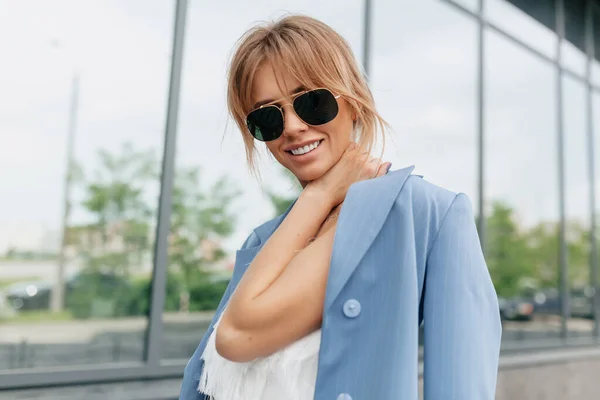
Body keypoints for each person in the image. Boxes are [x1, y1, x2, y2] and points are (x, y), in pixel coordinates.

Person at [179, 14, 501, 400]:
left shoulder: (428, 214)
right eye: (268, 117)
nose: (294, 127)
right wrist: (319, 195)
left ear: (353, 103)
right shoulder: (264, 239)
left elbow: (460, 389)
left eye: (312, 102)